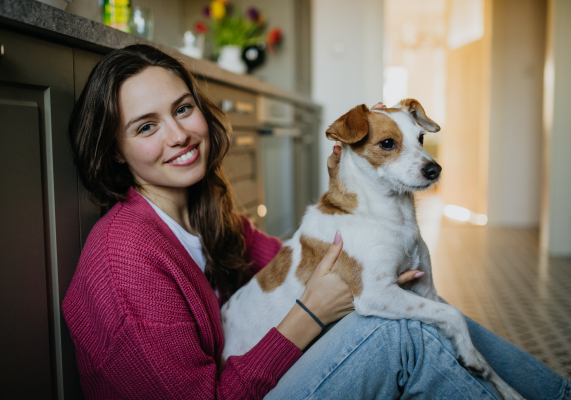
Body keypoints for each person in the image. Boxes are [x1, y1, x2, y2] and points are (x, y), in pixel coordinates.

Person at [62, 44, 570, 400]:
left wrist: (350, 186)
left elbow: (305, 254)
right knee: (402, 333)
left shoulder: (207, 216)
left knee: (421, 307)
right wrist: (311, 314)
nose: (178, 135)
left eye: (183, 108)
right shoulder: (124, 259)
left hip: (253, 377)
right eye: (147, 126)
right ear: (116, 151)